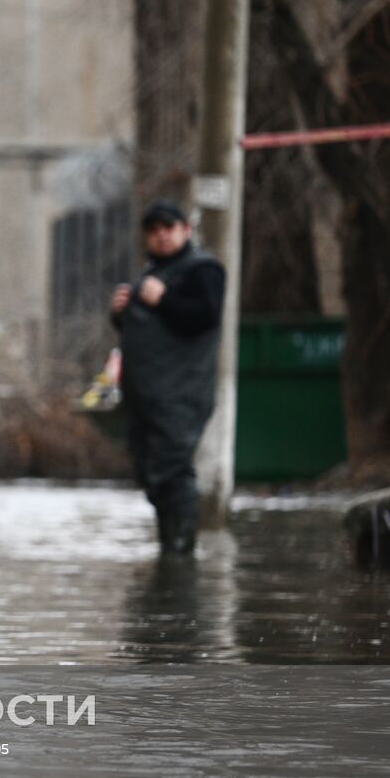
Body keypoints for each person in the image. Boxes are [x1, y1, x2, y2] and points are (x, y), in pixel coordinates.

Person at [110, 200, 226, 554]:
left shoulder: (202, 269)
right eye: (153, 230)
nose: (161, 236)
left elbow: (204, 316)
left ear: (185, 230)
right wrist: (120, 312)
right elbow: (141, 334)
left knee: (172, 470)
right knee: (149, 471)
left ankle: (180, 552)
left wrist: (164, 299)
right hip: (144, 396)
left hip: (180, 394)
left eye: (168, 228)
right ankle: (169, 547)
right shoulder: (149, 274)